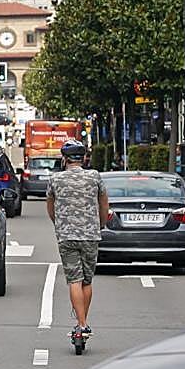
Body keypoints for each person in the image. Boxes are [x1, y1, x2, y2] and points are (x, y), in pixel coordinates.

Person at [46, 140, 108, 342]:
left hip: (67, 236)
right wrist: (101, 223)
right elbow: (103, 203)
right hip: (90, 234)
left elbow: (50, 206)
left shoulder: (55, 179)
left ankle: (81, 324)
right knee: (87, 280)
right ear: (84, 158)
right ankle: (83, 322)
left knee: (74, 279)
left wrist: (60, 223)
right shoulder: (95, 177)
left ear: (64, 159)